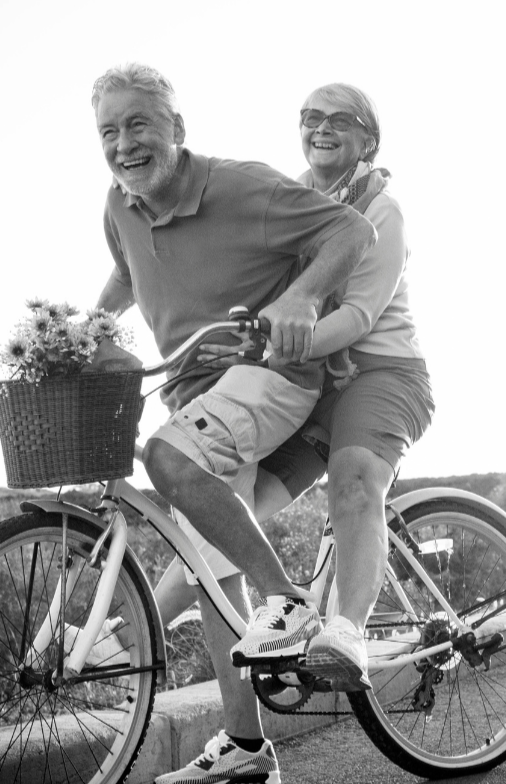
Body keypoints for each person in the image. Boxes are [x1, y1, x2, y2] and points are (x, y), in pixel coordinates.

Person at [88, 64, 375, 784]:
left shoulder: (241, 187)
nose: (124, 144)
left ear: (177, 130)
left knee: (166, 459)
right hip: (198, 392)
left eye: (139, 125)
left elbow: (352, 228)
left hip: (271, 376)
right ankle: (248, 749)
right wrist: (90, 326)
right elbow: (129, 270)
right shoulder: (120, 206)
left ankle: (290, 601)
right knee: (213, 572)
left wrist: (305, 296)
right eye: (109, 131)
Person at [151, 82, 434, 784]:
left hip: (380, 375)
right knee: (221, 520)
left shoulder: (382, 211)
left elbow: (356, 318)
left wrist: (274, 348)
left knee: (353, 483)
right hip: (312, 385)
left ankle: (347, 630)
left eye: (340, 120)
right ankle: (139, 638)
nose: (321, 128)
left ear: (369, 140)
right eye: (310, 118)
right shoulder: (297, 198)